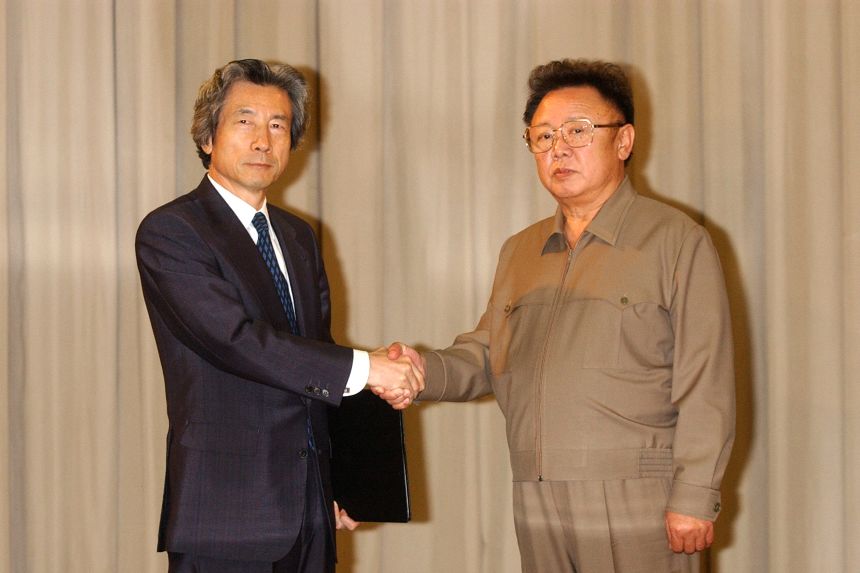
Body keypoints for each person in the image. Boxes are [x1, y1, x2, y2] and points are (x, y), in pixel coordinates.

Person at [387, 59, 735, 572]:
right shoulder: (521, 250)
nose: (559, 148)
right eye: (543, 136)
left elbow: (706, 379)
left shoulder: (675, 240)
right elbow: (486, 354)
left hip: (640, 495)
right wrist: (416, 371)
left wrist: (695, 493)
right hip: (536, 492)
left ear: (624, 141)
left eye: (578, 131)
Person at [136, 59, 422, 573]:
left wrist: (340, 482)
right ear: (207, 136)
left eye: (279, 125)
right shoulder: (172, 231)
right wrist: (365, 368)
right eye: (244, 121)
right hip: (225, 514)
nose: (263, 140)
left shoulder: (298, 237)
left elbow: (313, 355)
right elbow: (235, 341)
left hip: (310, 511)